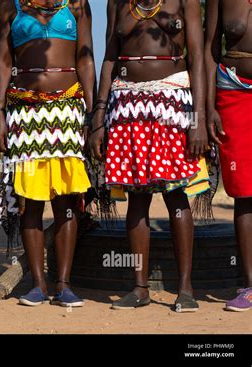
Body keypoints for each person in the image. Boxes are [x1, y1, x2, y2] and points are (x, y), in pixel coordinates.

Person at [90, 0, 209, 312]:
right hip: (127, 105)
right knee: (136, 198)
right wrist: (99, 117)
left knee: (176, 194)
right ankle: (140, 288)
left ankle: (185, 289)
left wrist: (197, 121)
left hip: (172, 103)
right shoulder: (117, 3)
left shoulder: (185, 2)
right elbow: (109, 59)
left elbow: (197, 57)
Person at [0, 0, 95, 307]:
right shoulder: (10, 7)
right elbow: (1, 61)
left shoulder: (76, 5)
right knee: (31, 202)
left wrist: (93, 112)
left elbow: (86, 60)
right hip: (25, 111)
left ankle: (64, 284)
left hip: (69, 110)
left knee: (66, 200)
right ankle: (38, 284)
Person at [204, 0, 252, 312]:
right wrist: (208, 108)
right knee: (245, 193)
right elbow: (209, 53)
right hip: (234, 93)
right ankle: (250, 284)